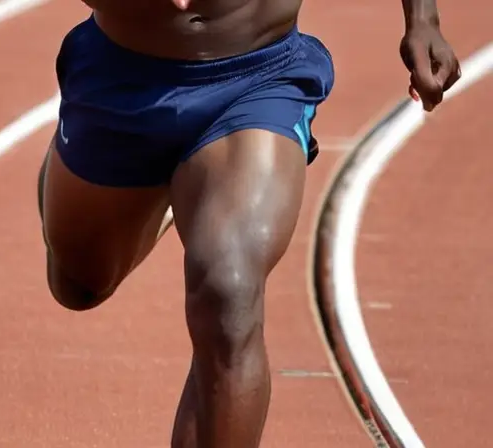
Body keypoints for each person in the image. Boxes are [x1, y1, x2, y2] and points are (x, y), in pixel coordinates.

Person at [37, 0, 460, 446]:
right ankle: (168, 191)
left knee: (228, 287)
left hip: (257, 76)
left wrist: (423, 20)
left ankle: (206, 192)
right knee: (78, 284)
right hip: (122, 78)